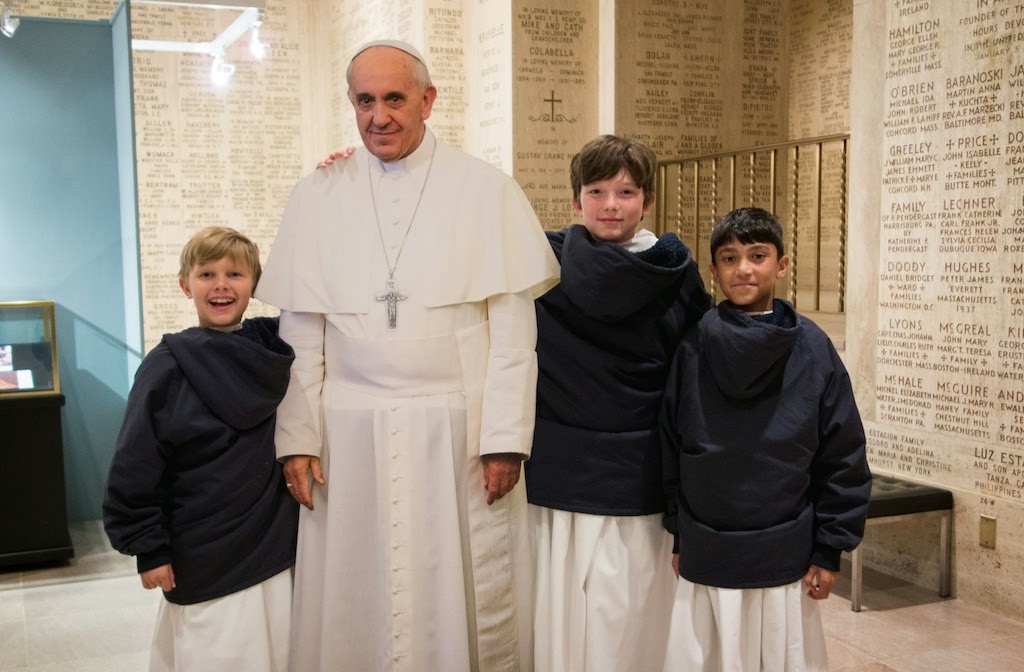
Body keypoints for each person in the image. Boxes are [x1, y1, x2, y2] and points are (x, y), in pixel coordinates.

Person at [255, 40, 559, 672]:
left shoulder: (486, 191)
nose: (379, 117)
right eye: (364, 101)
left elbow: (513, 334)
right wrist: (297, 437)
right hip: (347, 433)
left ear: (428, 100)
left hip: (455, 432)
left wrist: (505, 439)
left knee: (453, 591)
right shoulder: (317, 194)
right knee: (356, 593)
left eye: (395, 98)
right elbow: (300, 333)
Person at [525, 135, 712, 672]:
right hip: (571, 479)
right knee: (621, 619)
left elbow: (692, 376)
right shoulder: (538, 263)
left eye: (626, 192)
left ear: (648, 201)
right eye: (597, 191)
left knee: (595, 617)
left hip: (628, 477)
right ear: (576, 199)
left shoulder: (674, 275)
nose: (611, 204)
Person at [660, 207, 872, 671]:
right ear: (713, 270)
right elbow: (673, 445)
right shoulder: (693, 347)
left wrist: (829, 548)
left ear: (782, 264)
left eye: (758, 255)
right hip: (707, 543)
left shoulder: (812, 349)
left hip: (784, 545)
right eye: (730, 258)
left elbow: (842, 453)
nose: (744, 269)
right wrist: (679, 534)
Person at [103, 226, 298, 672]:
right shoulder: (166, 367)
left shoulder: (274, 350)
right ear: (184, 284)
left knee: (275, 650)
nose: (221, 285)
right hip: (202, 550)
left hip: (270, 545)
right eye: (207, 274)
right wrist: (149, 548)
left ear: (256, 283)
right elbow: (136, 463)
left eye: (235, 274)